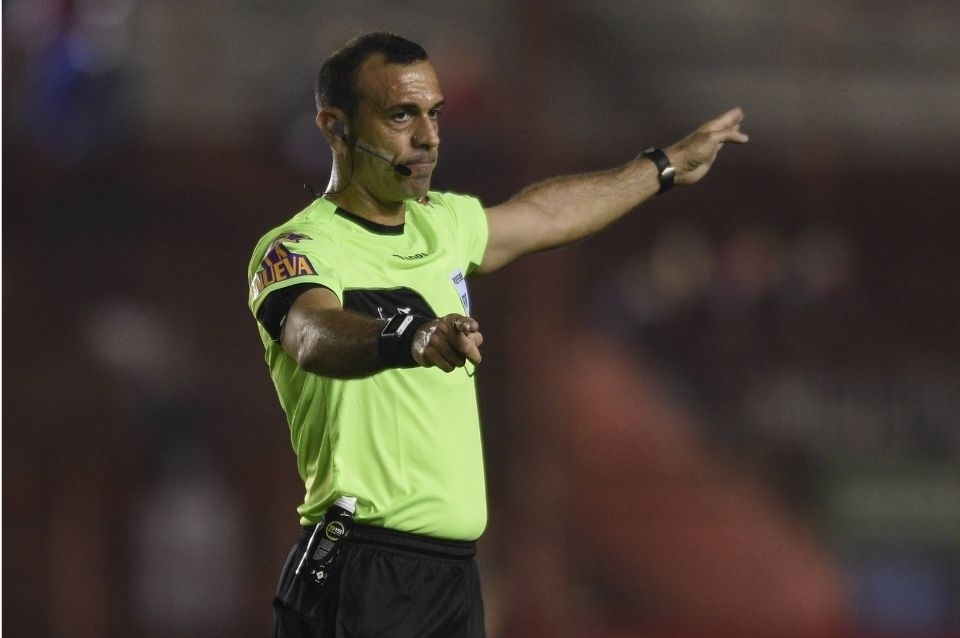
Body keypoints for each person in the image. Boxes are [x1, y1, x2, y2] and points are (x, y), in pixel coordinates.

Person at [247, 31, 748, 638]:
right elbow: (310, 335)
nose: (428, 136)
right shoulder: (301, 246)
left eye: (434, 114)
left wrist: (663, 167)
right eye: (401, 115)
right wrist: (407, 337)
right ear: (336, 128)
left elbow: (546, 214)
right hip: (359, 568)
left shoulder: (442, 225)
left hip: (451, 576)